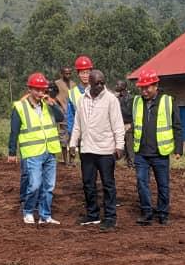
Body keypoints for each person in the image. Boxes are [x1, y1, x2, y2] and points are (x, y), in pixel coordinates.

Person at [69, 69, 125, 232]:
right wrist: (73, 144)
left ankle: (110, 217)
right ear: (90, 83)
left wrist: (119, 146)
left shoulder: (111, 100)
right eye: (97, 83)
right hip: (87, 150)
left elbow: (118, 125)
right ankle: (92, 214)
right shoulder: (82, 100)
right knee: (88, 184)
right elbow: (78, 125)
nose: (100, 85)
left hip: (106, 151)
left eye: (102, 82)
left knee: (108, 185)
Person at [130, 67, 183, 227]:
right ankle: (147, 212)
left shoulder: (168, 101)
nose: (144, 91)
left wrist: (178, 149)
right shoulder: (136, 102)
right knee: (141, 181)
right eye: (142, 88)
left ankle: (162, 213)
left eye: (147, 88)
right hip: (141, 152)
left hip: (160, 152)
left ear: (155, 86)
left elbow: (177, 126)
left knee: (163, 185)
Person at [8, 73, 63, 226]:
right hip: (32, 153)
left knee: (49, 186)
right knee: (35, 185)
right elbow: (14, 131)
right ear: (30, 89)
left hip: (50, 151)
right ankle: (28, 211)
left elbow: (60, 117)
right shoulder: (20, 107)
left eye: (43, 90)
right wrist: (12, 152)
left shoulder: (48, 105)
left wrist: (52, 104)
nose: (40, 93)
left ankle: (45, 215)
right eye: (37, 90)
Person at [67, 55, 94, 138]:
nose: (85, 76)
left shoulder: (98, 90)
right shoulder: (72, 93)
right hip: (81, 135)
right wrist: (72, 136)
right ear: (78, 74)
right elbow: (70, 117)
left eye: (87, 73)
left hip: (97, 134)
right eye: (83, 73)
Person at [53, 66, 75, 164]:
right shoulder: (56, 84)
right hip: (62, 114)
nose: (68, 75)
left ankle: (72, 160)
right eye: (66, 73)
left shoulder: (73, 85)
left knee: (73, 137)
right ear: (61, 73)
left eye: (70, 73)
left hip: (72, 115)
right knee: (63, 137)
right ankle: (65, 160)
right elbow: (53, 97)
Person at [115, 79, 134, 167]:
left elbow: (129, 112)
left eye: (118, 85)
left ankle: (132, 163)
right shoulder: (117, 98)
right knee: (120, 144)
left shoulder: (130, 98)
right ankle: (124, 160)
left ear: (123, 87)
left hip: (128, 124)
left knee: (129, 145)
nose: (116, 86)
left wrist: (129, 124)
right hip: (119, 124)